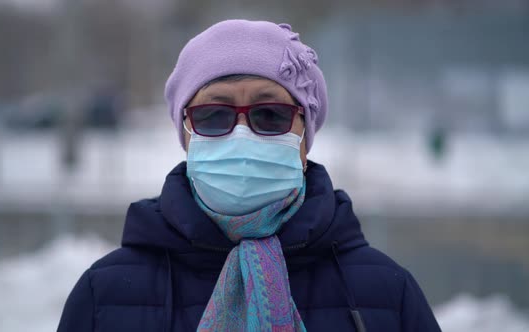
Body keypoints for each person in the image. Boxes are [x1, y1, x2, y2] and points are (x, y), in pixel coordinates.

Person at [58, 19, 441, 332]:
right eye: (214, 115)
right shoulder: (103, 297)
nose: (242, 133)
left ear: (304, 140)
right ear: (186, 136)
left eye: (270, 115)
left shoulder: (387, 296)